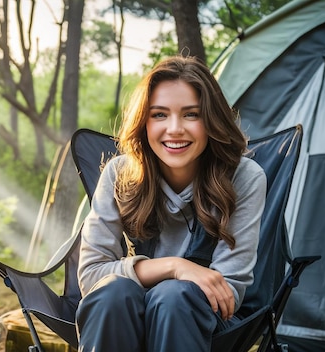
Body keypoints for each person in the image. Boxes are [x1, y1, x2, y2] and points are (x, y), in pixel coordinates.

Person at [75, 55, 267, 352]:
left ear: (211, 120)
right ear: (145, 122)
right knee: (111, 294)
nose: (175, 129)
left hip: (204, 319)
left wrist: (176, 284)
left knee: (173, 299)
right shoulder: (120, 174)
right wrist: (175, 267)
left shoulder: (244, 178)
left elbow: (227, 289)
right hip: (127, 313)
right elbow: (91, 276)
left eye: (191, 114)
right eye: (160, 115)